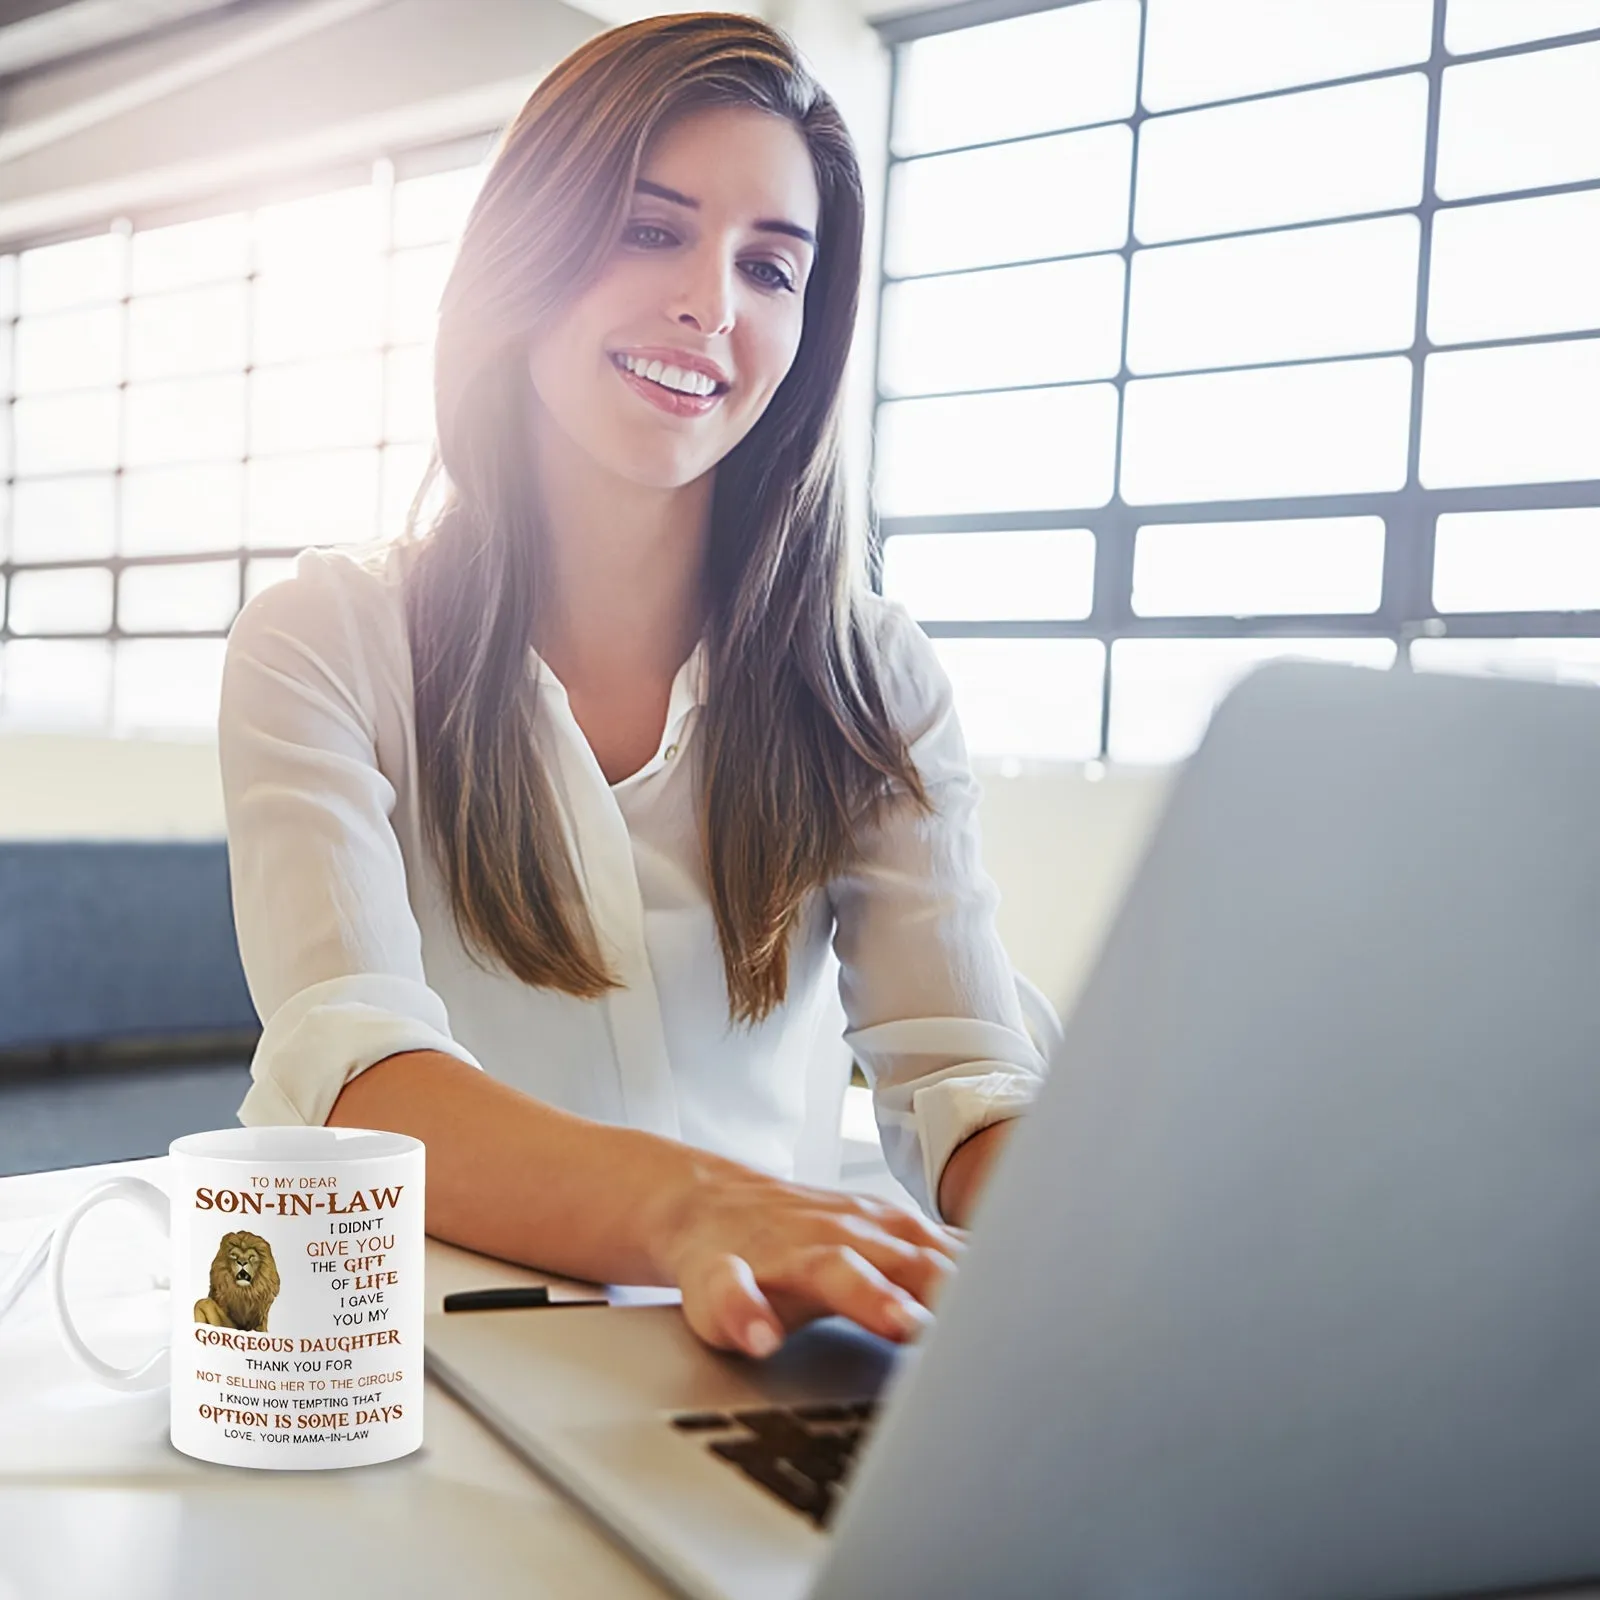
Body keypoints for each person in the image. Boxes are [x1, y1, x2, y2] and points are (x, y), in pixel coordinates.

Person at [218, 9, 1056, 1365]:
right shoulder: (326, 639)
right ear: (526, 251)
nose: (711, 305)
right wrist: (696, 1210)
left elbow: (961, 1070)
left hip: (728, 1352)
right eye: (651, 228)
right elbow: (356, 1070)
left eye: (772, 268)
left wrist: (1117, 1248)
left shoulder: (868, 676)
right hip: (377, 1352)